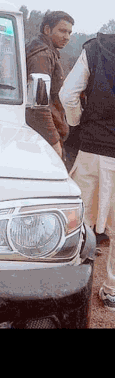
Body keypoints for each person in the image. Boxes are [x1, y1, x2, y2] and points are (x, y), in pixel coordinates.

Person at [59, 33, 115, 310]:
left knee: (75, 222)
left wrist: (78, 124)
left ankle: (66, 288)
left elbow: (67, 94)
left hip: (92, 149)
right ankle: (113, 292)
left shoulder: (97, 48)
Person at [25, 11, 74, 160]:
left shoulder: (47, 52)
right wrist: (54, 141)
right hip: (42, 138)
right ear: (47, 30)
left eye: (69, 33)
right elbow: (39, 106)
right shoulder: (42, 56)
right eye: (62, 31)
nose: (67, 37)